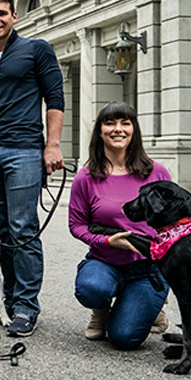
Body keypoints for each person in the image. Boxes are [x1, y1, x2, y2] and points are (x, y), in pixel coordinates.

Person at [0, 0, 65, 338]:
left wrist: (52, 145)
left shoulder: (36, 50)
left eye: (1, 14)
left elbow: (55, 98)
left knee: (23, 228)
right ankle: (8, 301)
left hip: (24, 150)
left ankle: (26, 306)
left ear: (14, 17)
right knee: (1, 229)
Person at [68, 101, 171, 349]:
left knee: (124, 339)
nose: (118, 129)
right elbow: (77, 225)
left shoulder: (157, 172)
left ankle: (151, 307)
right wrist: (106, 241)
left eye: (125, 123)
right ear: (100, 131)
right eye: (110, 123)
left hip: (148, 268)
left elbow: (174, 222)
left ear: (134, 129)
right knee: (91, 288)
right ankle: (101, 309)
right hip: (105, 261)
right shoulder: (86, 177)